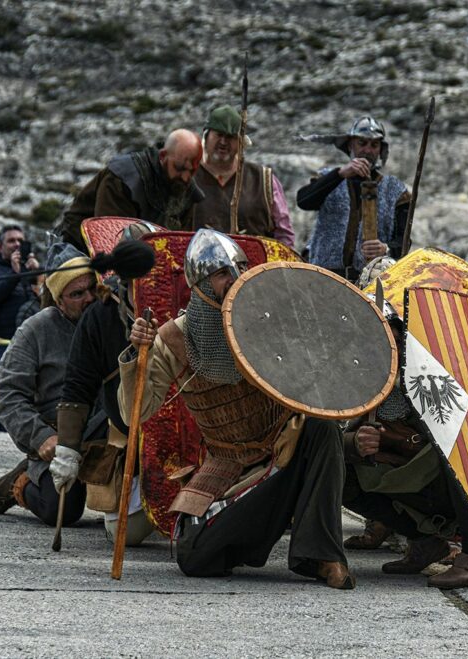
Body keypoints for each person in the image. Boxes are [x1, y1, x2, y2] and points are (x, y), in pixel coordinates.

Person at [120, 229, 354, 588]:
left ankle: (323, 555)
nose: (234, 279)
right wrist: (139, 358)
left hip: (282, 449)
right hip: (228, 466)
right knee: (196, 558)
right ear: (199, 282)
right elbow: (134, 414)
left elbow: (314, 379)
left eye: (239, 268)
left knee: (321, 429)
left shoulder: (269, 322)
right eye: (222, 273)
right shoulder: (174, 338)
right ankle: (252, 526)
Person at [340, 306, 468, 589]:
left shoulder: (436, 374)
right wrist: (354, 442)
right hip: (403, 484)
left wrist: (401, 436)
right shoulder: (356, 381)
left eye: (395, 341)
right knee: (339, 474)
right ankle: (425, 543)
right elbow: (330, 434)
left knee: (461, 444)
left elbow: (460, 427)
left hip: (444, 486)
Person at [50, 223, 158, 546]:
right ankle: (21, 481)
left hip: (184, 444)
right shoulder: (99, 317)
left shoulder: (186, 307)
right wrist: (67, 451)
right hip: (126, 437)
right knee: (129, 533)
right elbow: (78, 387)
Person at [0, 243, 96, 523]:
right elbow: (7, 393)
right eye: (76, 294)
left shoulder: (107, 319)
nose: (88, 298)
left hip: (102, 434)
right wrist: (41, 438)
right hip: (57, 439)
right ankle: (22, 484)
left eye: (91, 289)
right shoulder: (36, 329)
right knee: (63, 510)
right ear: (58, 299)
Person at [297, 116, 410, 280]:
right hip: (324, 275)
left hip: (370, 280)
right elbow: (303, 201)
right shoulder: (328, 178)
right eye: (362, 143)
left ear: (380, 149)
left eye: (374, 145)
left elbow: (404, 241)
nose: (368, 150)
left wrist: (386, 249)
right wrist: (340, 174)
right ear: (351, 145)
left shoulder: (395, 190)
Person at [58, 129, 205, 249]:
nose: (185, 178)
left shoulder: (187, 191)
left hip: (142, 262)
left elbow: (180, 244)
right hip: (81, 250)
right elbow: (106, 237)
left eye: (191, 172)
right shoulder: (123, 178)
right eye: (179, 168)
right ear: (163, 156)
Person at [190, 105, 295, 248]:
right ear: (206, 136)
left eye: (230, 137)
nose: (223, 142)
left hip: (255, 267)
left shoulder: (264, 180)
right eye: (219, 135)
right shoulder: (188, 175)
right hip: (195, 265)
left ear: (241, 142)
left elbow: (284, 235)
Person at [0, 225, 39, 431]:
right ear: (0, 246)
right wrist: (14, 273)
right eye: (11, 241)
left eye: (20, 240)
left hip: (25, 348)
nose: (17, 244)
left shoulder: (31, 270)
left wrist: (37, 275)